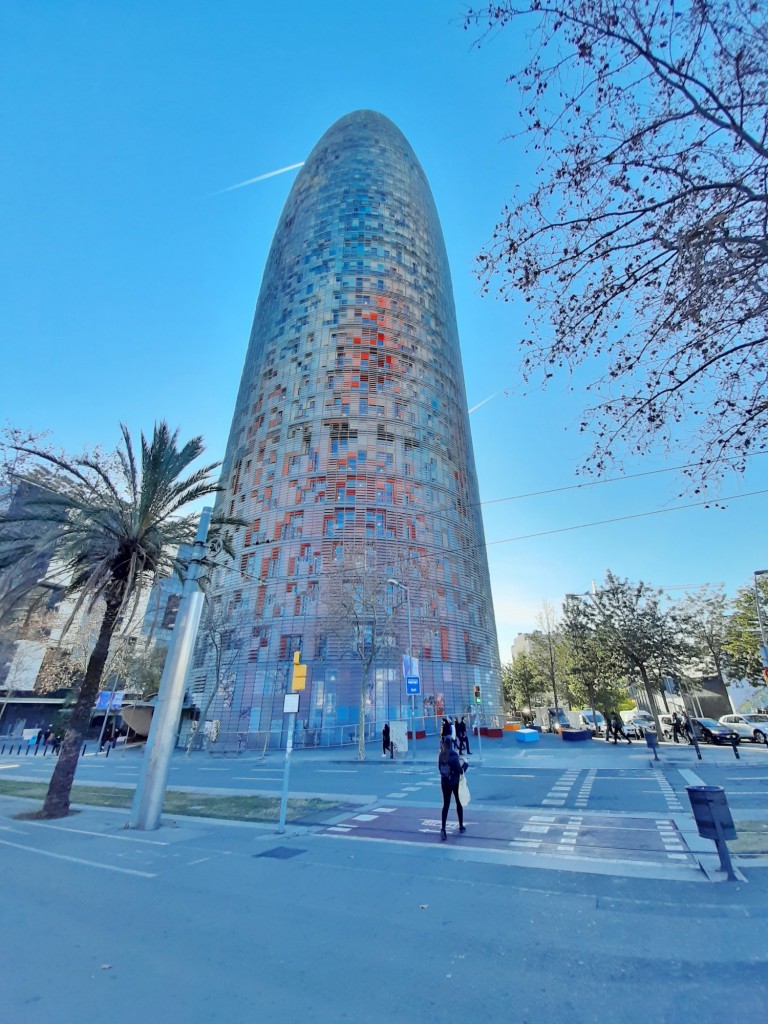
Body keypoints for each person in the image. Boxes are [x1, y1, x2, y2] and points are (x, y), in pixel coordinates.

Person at [437, 736, 467, 840]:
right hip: (454, 783)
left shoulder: (441, 755)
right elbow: (460, 770)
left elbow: (439, 768)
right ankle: (461, 825)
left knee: (445, 805)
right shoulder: (454, 755)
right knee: (458, 803)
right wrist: (466, 764)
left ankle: (443, 828)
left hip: (444, 783)